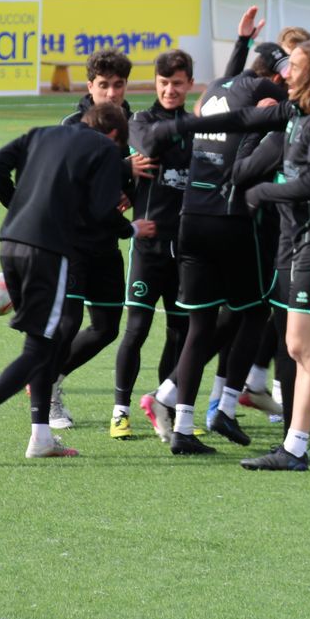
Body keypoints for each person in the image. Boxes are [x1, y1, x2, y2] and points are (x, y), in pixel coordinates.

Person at [175, 40, 310, 475]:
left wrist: (263, 192)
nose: (286, 73)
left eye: (296, 66)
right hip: (303, 238)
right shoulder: (298, 112)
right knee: (308, 349)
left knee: (300, 346)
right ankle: (295, 447)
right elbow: (245, 117)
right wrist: (184, 126)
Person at [0, 101, 132, 463]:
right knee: (41, 346)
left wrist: (17, 205)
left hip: (10, 242)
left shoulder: (42, 133)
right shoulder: (104, 149)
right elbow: (99, 211)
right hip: (48, 250)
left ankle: (41, 437)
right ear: (113, 135)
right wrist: (130, 227)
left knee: (46, 343)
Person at [140, 20, 284, 455]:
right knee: (257, 311)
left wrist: (241, 43)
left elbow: (232, 92)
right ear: (273, 79)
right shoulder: (271, 93)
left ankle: (181, 424)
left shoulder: (218, 86)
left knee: (201, 326)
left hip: (191, 217)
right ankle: (223, 403)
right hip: (232, 217)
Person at [107, 49, 195, 439]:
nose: (170, 90)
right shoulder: (140, 120)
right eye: (163, 83)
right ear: (155, 84)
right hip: (147, 247)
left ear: (189, 84)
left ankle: (167, 405)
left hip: (185, 247)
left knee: (180, 330)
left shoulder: (196, 124)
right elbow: (152, 144)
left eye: (177, 83)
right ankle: (120, 410)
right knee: (137, 329)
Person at [48, 47, 136, 428]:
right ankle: (48, 395)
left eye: (118, 85)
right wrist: (121, 168)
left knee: (106, 328)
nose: (112, 93)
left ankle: (50, 378)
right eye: (104, 85)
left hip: (107, 239)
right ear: (90, 86)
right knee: (67, 323)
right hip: (71, 242)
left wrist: (131, 190)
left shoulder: (136, 122)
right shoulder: (72, 125)